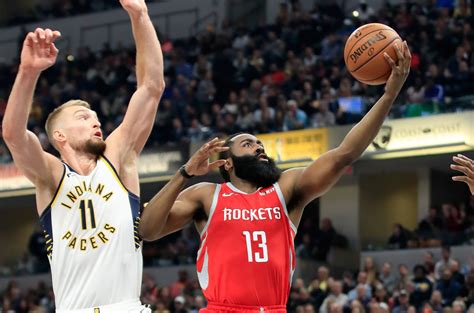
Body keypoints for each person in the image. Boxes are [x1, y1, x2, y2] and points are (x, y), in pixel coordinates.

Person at [139, 42, 411, 312]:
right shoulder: (207, 195)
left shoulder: (286, 187)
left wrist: (388, 96)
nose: (258, 147)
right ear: (228, 163)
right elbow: (149, 231)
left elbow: (344, 154)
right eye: (248, 144)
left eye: (260, 144)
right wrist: (184, 173)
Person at [2, 0, 164, 311]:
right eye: (82, 116)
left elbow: (151, 86)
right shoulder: (51, 177)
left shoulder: (118, 158)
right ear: (59, 136)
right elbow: (13, 135)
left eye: (94, 117)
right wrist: (27, 72)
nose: (95, 120)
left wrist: (139, 15)